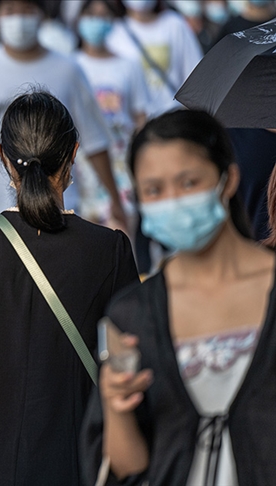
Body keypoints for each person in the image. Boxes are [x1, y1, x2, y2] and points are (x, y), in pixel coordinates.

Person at [0, 91, 140, 486]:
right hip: (77, 457)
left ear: (3, 157)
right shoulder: (109, 249)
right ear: (73, 154)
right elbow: (128, 356)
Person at [81, 109, 276, 486]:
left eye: (188, 183)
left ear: (228, 179)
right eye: (154, 190)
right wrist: (116, 406)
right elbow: (127, 468)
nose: (172, 201)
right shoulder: (133, 313)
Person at [0, 0, 127, 229]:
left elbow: (95, 140)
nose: (19, 18)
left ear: (42, 15)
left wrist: (114, 197)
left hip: (58, 214)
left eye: (27, 9)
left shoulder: (68, 70)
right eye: (10, 10)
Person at [75, 0, 150, 227]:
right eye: (91, 15)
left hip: (121, 161)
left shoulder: (129, 65)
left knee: (122, 228)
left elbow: (140, 116)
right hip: (81, 162)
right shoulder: (70, 65)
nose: (96, 21)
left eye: (103, 15)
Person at [106, 0, 202, 115]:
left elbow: (195, 73)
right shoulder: (115, 32)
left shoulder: (175, 24)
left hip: (174, 116)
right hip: (137, 118)